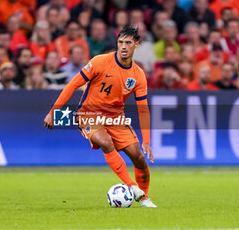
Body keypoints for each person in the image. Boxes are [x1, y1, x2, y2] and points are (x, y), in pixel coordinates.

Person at [43, 25, 157, 208]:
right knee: (105, 142)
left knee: (139, 157)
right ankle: (132, 187)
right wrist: (52, 112)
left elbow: (143, 109)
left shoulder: (138, 75)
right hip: (88, 114)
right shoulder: (99, 62)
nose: (124, 46)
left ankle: (145, 199)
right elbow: (72, 85)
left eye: (128, 42)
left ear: (136, 44)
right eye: (121, 42)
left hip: (115, 117)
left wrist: (146, 140)